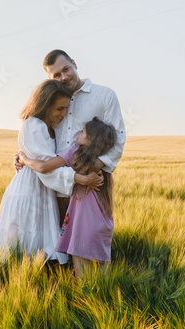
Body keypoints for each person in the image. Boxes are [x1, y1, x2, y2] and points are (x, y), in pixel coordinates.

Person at [0, 80, 103, 264]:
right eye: (59, 109)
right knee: (23, 244)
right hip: (29, 191)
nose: (64, 114)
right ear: (45, 105)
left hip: (44, 190)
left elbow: (49, 162)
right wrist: (80, 179)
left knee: (40, 248)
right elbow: (46, 166)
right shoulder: (33, 125)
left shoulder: (51, 126)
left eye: (66, 108)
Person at [15, 49, 126, 228]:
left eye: (66, 69)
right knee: (56, 242)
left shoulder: (104, 95)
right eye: (56, 75)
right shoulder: (51, 102)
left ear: (74, 63)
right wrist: (23, 156)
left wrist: (95, 166)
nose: (64, 77)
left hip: (91, 185)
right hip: (53, 188)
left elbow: (118, 138)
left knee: (89, 240)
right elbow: (38, 136)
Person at [19, 117, 117, 278]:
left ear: (90, 139)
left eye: (83, 131)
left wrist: (23, 159)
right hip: (103, 224)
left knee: (82, 278)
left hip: (82, 224)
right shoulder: (104, 164)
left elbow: (43, 166)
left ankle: (83, 301)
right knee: (102, 277)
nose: (78, 132)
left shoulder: (75, 153)